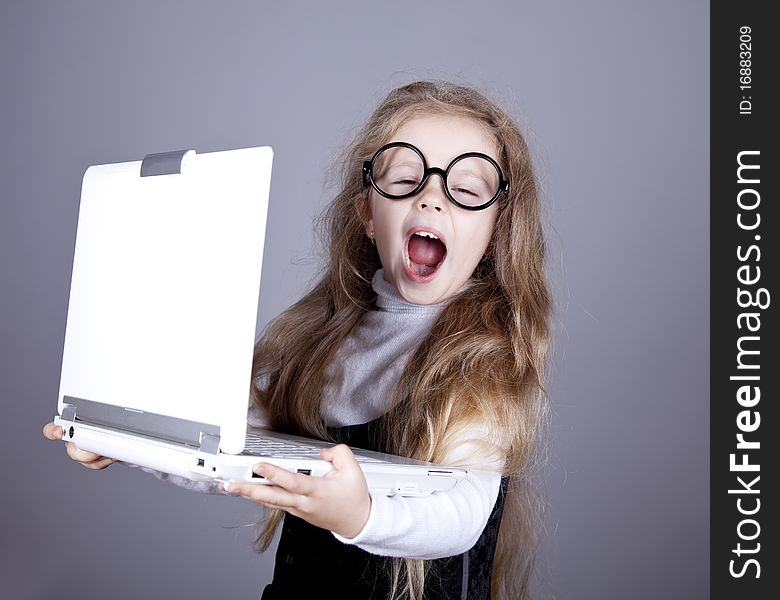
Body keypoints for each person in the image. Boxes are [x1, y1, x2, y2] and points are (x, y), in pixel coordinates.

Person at [43, 80, 551, 600]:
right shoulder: (314, 342)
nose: (431, 199)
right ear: (367, 218)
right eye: (405, 179)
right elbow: (227, 451)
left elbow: (460, 518)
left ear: (496, 233)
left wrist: (361, 516)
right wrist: (127, 441)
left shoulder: (489, 363)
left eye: (465, 191)